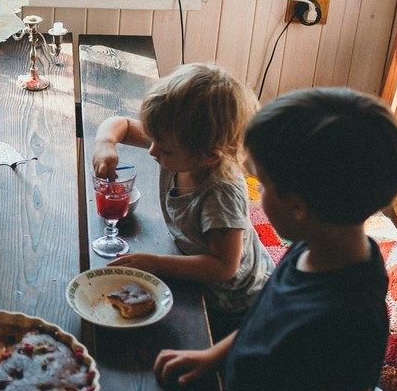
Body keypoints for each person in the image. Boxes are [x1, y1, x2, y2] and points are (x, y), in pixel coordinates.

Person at [151, 87, 397, 391]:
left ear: (297, 206)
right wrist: (215, 355)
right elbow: (265, 321)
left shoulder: (352, 316)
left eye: (263, 185)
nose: (256, 196)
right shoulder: (313, 247)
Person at [91, 62, 272, 336]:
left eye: (163, 149)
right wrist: (105, 143)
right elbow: (122, 125)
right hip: (193, 260)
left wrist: (155, 263)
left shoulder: (220, 194)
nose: (152, 151)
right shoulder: (178, 143)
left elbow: (224, 267)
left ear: (209, 155)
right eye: (152, 139)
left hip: (236, 302)